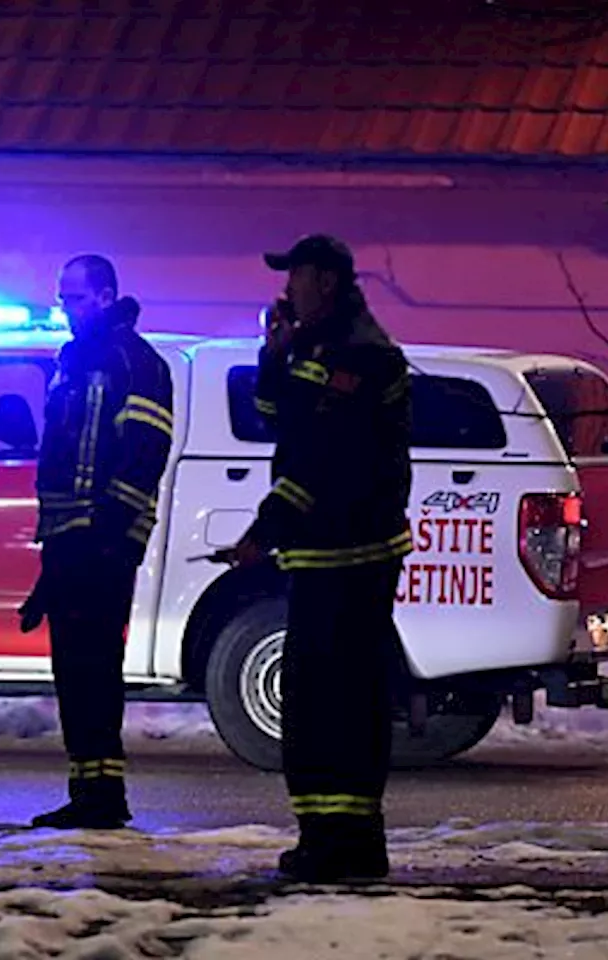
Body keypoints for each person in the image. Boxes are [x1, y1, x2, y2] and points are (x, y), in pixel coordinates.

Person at [227, 234, 413, 882]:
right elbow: (274, 417)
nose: (288, 288)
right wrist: (272, 354)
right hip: (326, 549)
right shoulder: (317, 343)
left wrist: (264, 530)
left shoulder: (360, 353)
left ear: (326, 281)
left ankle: (345, 844)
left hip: (350, 551)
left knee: (333, 699)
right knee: (320, 697)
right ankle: (330, 840)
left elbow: (320, 456)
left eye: (297, 275)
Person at [21, 255, 174, 829]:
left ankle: (104, 796)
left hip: (103, 539)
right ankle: (88, 788)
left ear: (106, 297)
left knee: (94, 665)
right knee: (74, 669)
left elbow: (143, 451)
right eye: (62, 296)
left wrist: (106, 534)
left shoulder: (136, 363)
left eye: (77, 297)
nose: (66, 306)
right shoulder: (73, 362)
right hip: (69, 538)